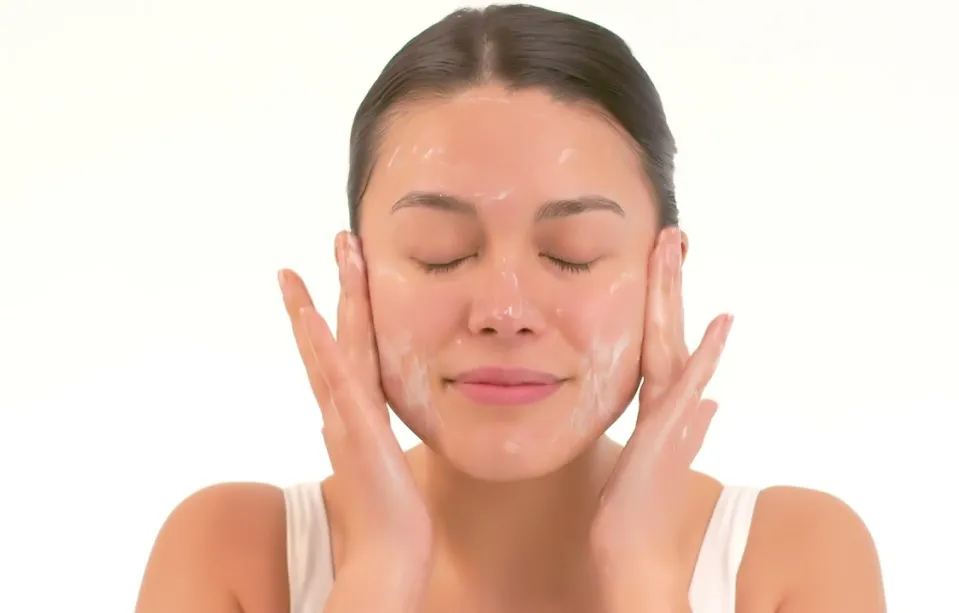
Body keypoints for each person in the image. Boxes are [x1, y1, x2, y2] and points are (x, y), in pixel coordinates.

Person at [134, 4, 885, 613]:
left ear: (666, 274)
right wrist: (382, 566)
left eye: (572, 251)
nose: (503, 309)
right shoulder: (232, 554)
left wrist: (642, 571)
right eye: (439, 251)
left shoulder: (791, 558)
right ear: (354, 274)